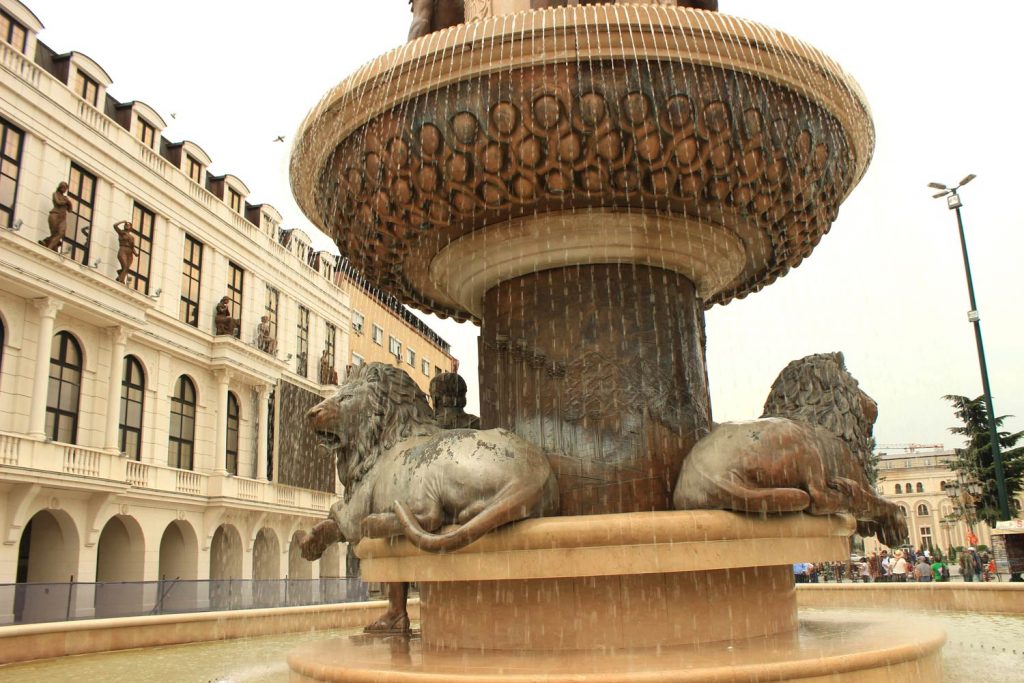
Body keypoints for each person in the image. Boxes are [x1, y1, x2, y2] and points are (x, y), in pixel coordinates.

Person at [39, 182, 73, 252]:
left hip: (63, 218)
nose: (64, 189)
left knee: (61, 233)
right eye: (63, 187)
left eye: (65, 188)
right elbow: (58, 202)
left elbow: (70, 210)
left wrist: (70, 203)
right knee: (55, 234)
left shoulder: (65, 198)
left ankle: (48, 246)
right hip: (55, 215)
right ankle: (52, 247)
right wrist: (66, 202)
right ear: (60, 187)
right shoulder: (55, 194)